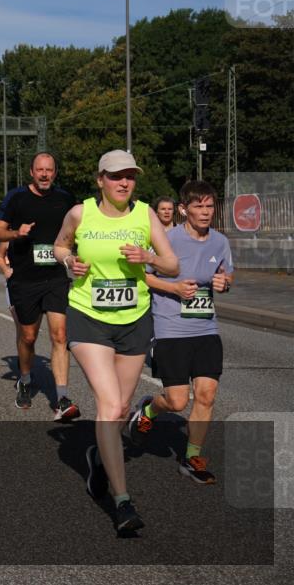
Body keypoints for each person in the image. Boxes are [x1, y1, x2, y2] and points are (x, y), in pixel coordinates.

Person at [53, 149, 178, 534]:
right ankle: (122, 502)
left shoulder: (145, 215)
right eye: (115, 176)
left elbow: (172, 264)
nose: (124, 182)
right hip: (88, 317)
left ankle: (96, 457)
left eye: (130, 176)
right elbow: (60, 245)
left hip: (135, 320)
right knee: (109, 403)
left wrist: (149, 258)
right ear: (100, 180)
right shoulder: (80, 212)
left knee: (122, 406)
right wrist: (68, 262)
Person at [128, 180, 234, 484]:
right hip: (171, 329)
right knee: (177, 402)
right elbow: (144, 277)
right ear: (183, 209)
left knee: (206, 394)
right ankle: (148, 409)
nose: (205, 212)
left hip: (206, 328)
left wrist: (223, 283)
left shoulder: (219, 242)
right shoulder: (167, 239)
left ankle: (191, 458)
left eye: (210, 205)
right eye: (198, 206)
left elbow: (228, 274)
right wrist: (173, 287)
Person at [0, 152, 80, 418]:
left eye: (49, 170)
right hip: (25, 278)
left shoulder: (65, 199)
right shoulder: (16, 197)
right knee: (28, 337)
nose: (44, 174)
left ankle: (62, 398)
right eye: (40, 170)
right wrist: (16, 233)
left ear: (55, 172)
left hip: (55, 276)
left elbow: (78, 228)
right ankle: (26, 379)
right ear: (31, 172)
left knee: (60, 336)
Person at [0, 240, 21, 351]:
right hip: (15, 284)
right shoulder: (9, 237)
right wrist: (6, 269)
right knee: (21, 326)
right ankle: (24, 361)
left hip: (41, 283)